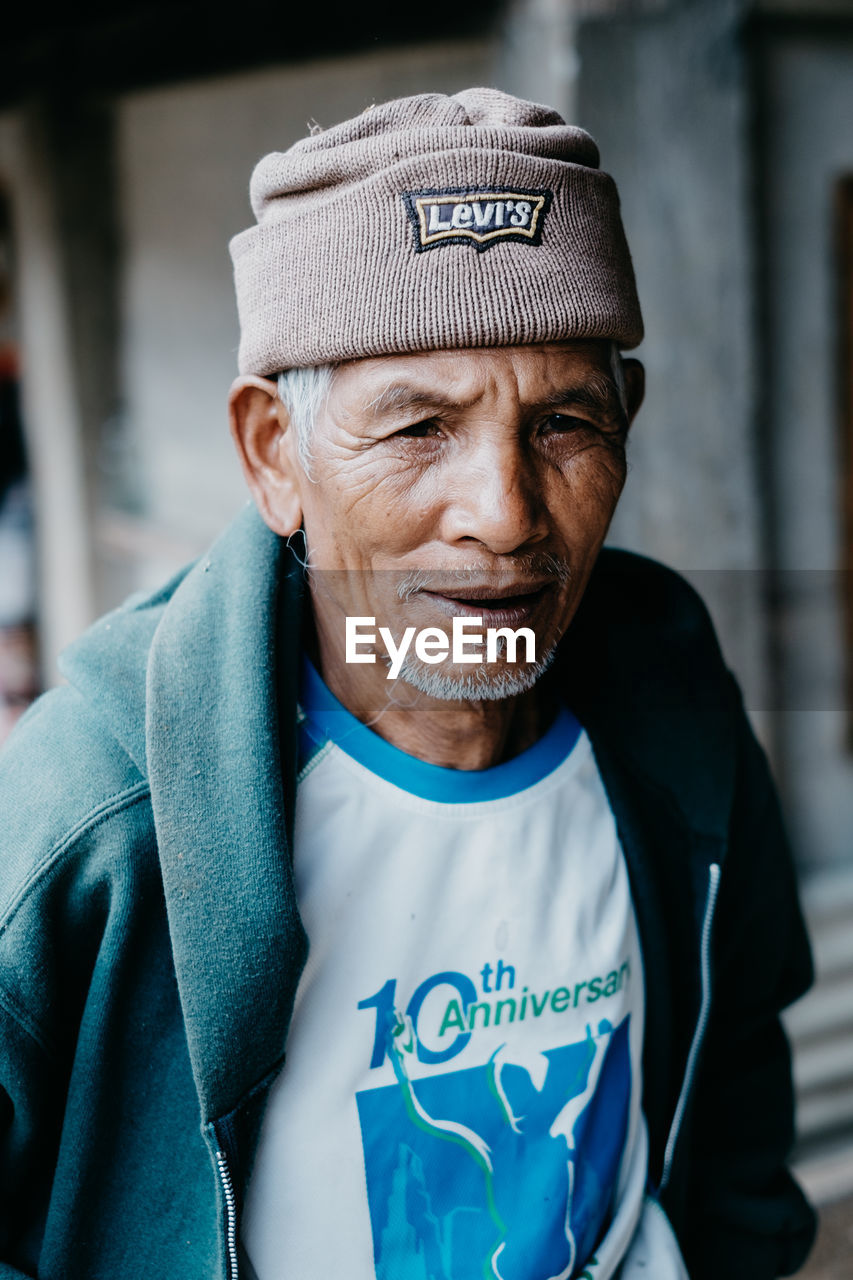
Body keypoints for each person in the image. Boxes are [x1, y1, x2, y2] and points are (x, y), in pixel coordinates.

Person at [0, 88, 816, 1280]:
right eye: (419, 426)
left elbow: (734, 1093)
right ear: (274, 457)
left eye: (564, 424)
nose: (502, 514)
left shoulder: (668, 694)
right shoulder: (97, 808)